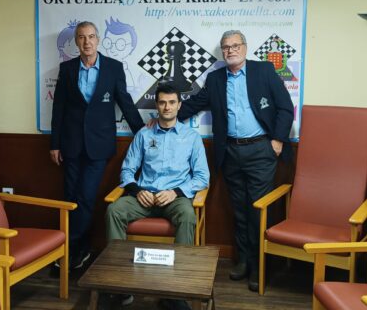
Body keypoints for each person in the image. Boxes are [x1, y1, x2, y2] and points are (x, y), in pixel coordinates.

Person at [176, 30, 294, 292]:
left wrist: (277, 140)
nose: (230, 50)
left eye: (235, 45)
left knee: (257, 210)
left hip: (261, 151)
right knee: (239, 211)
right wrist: (166, 116)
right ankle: (243, 261)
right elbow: (195, 104)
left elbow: (286, 108)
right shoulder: (216, 78)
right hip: (230, 152)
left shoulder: (264, 71)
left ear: (245, 47)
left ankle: (259, 265)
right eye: (226, 47)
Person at [50, 21, 144, 270]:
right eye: (82, 37)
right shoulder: (67, 68)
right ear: (76, 41)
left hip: (99, 146)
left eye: (91, 36)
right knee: (70, 198)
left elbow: (124, 101)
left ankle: (70, 249)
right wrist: (54, 144)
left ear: (98, 39)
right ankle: (81, 250)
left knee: (86, 197)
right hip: (70, 145)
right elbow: (59, 107)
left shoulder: (113, 67)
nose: (87, 42)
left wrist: (143, 133)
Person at [106, 84, 209, 310]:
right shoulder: (144, 134)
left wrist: (175, 192)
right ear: (157, 105)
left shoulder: (192, 137)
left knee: (187, 216)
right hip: (144, 197)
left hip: (175, 198)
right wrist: (137, 190)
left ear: (179, 105)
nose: (167, 107)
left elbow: (202, 177)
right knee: (114, 210)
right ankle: (119, 285)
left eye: (172, 102)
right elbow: (127, 170)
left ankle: (176, 291)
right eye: (162, 102)